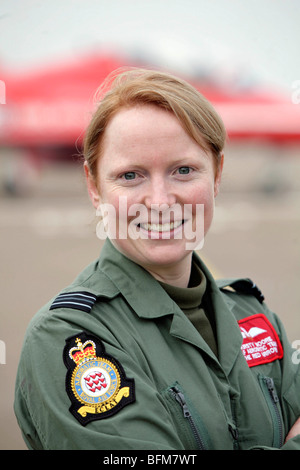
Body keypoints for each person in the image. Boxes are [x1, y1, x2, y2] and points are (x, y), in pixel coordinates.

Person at [14, 68, 300, 450]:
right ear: (94, 187)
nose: (161, 201)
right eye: (131, 175)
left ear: (216, 174)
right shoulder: (71, 339)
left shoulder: (255, 318)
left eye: (183, 170)